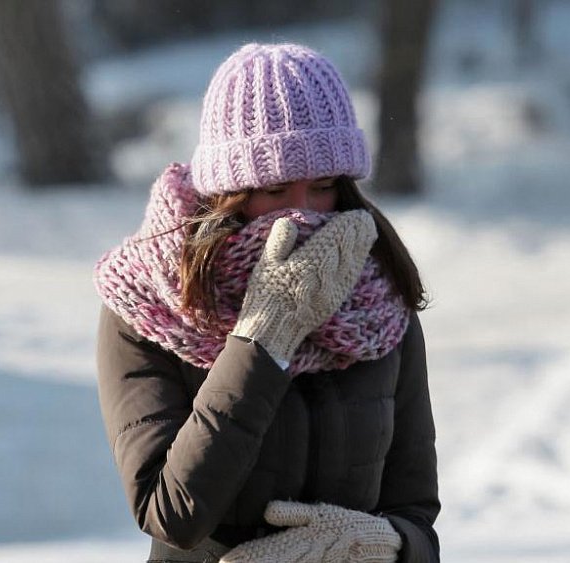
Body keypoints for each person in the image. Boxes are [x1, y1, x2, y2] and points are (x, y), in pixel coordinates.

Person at [94, 43, 440, 563]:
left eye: (322, 186)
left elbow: (416, 516)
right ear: (227, 192)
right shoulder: (148, 301)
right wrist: (265, 334)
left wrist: (382, 543)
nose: (302, 213)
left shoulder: (378, 297)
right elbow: (171, 512)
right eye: (275, 190)